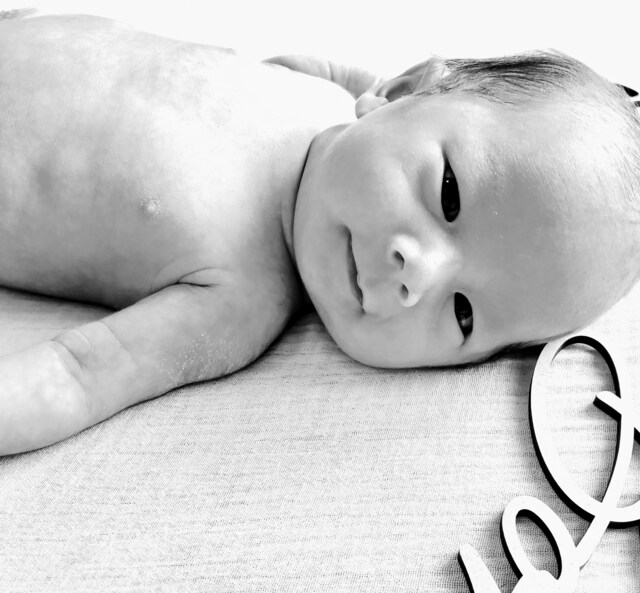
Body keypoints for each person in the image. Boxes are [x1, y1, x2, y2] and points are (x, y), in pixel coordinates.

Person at [0, 13, 638, 455]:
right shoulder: (322, 90)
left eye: (463, 314)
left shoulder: (237, 302)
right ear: (402, 89)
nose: (419, 276)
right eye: (449, 194)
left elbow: (78, 375)